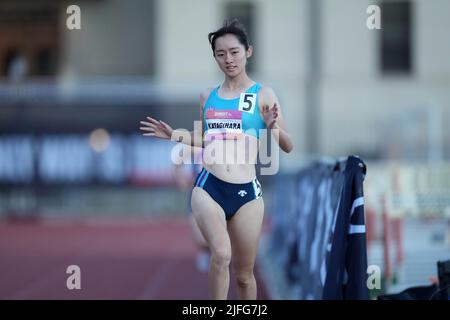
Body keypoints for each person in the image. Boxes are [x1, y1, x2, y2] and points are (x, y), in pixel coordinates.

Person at [140, 19, 293, 300]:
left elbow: (288, 146)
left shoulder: (264, 95)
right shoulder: (207, 97)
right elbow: (206, 140)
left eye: (234, 52)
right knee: (221, 255)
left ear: (248, 52)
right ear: (215, 57)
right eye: (221, 54)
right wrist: (174, 134)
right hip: (209, 187)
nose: (228, 59)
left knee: (245, 276)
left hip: (247, 193)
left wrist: (272, 127)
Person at [172, 144, 210, 272]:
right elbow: (178, 162)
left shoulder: (223, 141)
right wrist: (181, 178)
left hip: (218, 192)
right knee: (200, 238)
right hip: (197, 191)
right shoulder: (196, 144)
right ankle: (205, 250)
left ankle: (217, 252)